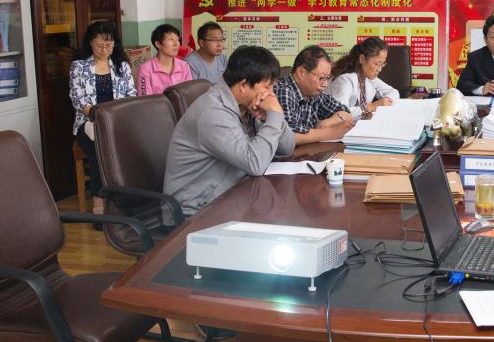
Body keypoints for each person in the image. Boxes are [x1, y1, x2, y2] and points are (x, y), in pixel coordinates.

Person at [164, 45, 295, 218]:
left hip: (234, 197)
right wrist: (275, 115)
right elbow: (255, 164)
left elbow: (287, 148)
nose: (270, 95)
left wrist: (270, 118)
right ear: (243, 85)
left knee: (283, 215)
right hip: (196, 212)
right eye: (267, 87)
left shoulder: (247, 104)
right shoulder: (213, 112)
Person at [69, 21, 137, 214]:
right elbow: (77, 99)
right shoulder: (79, 67)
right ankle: (99, 201)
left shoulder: (121, 66)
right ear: (90, 43)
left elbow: (131, 94)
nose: (105, 49)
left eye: (109, 44)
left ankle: (125, 197)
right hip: (89, 122)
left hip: (118, 121)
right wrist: (98, 116)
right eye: (100, 45)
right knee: (99, 147)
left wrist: (115, 117)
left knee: (131, 143)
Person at [274, 45, 356, 144]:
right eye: (321, 78)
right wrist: (331, 132)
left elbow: (345, 111)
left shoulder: (313, 93)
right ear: (301, 72)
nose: (325, 84)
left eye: (327, 78)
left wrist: (328, 123)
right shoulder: (284, 91)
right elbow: (288, 136)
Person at [327, 36, 400, 119]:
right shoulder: (345, 80)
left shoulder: (368, 77)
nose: (379, 69)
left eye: (382, 64)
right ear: (362, 59)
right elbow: (340, 114)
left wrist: (386, 100)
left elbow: (393, 92)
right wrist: (372, 106)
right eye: (377, 64)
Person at [137, 23, 193, 95]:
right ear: (158, 44)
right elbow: (145, 99)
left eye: (177, 40)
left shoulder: (184, 66)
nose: (176, 44)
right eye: (171, 39)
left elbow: (189, 94)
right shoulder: (145, 69)